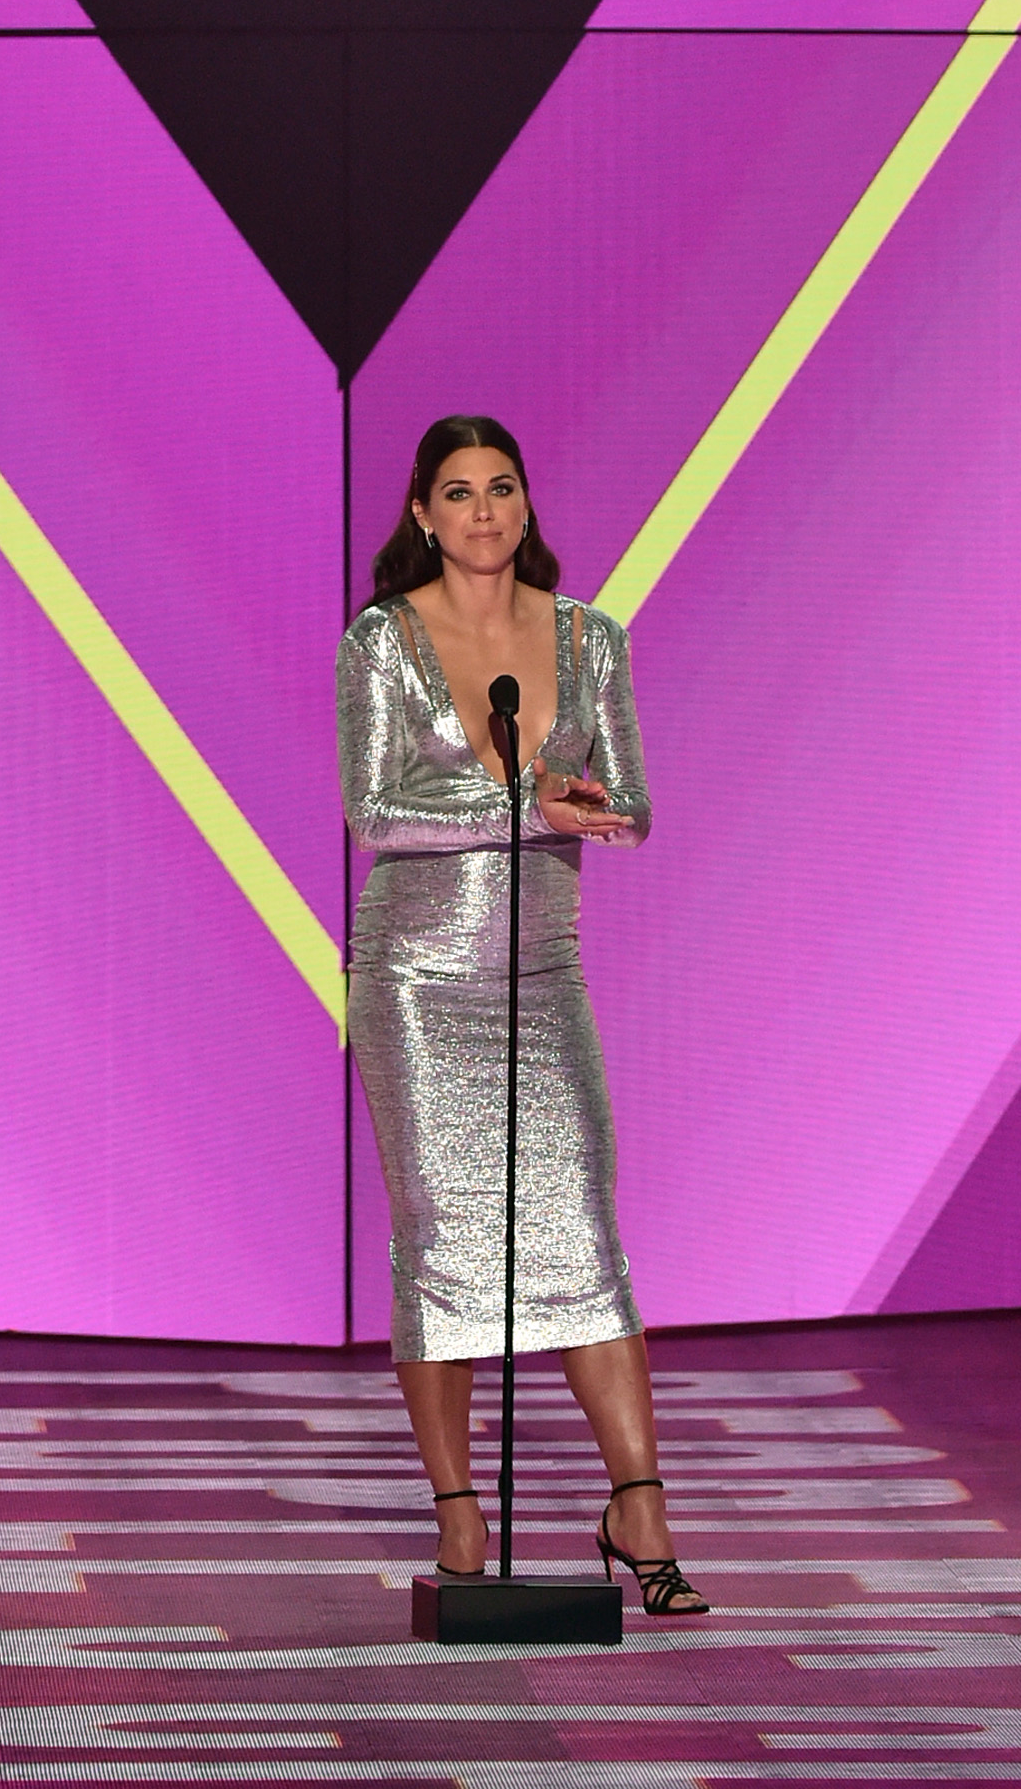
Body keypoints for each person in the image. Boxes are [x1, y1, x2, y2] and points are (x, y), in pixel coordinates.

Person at [335, 413, 707, 1618]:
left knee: (581, 1236)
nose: (484, 511)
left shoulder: (592, 638)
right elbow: (374, 814)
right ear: (422, 515)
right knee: (443, 1246)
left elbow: (635, 805)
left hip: (544, 980)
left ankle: (635, 1502)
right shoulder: (380, 643)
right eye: (458, 491)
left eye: (503, 488)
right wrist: (519, 798)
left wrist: (583, 804)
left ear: (525, 505)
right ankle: (458, 1517)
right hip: (418, 978)